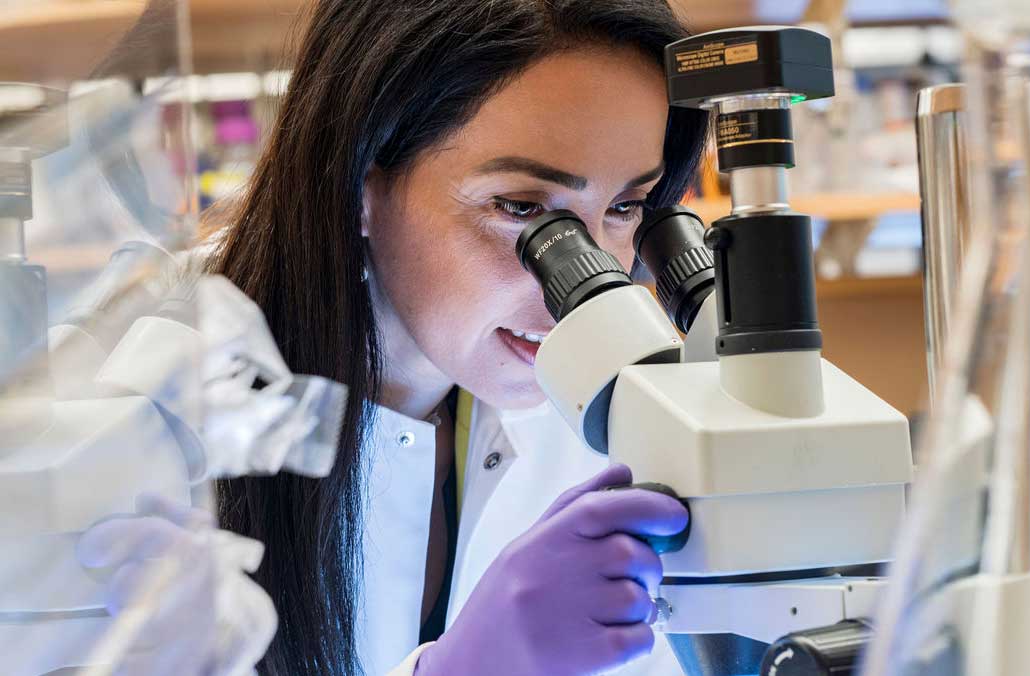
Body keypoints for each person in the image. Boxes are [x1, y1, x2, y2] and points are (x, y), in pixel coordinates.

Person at [210, 1, 709, 674]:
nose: (584, 282)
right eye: (522, 209)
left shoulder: (587, 413)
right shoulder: (152, 418)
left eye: (623, 208)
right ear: (359, 183)